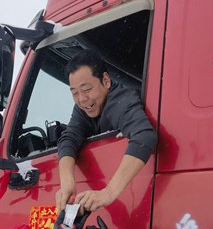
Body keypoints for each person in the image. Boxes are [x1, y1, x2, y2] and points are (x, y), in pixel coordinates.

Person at [56, 49, 157, 213]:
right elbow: (69, 139)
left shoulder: (121, 101)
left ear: (106, 81)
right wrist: (67, 183)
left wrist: (108, 193)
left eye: (87, 89)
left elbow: (144, 136)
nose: (81, 99)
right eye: (75, 93)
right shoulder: (84, 108)